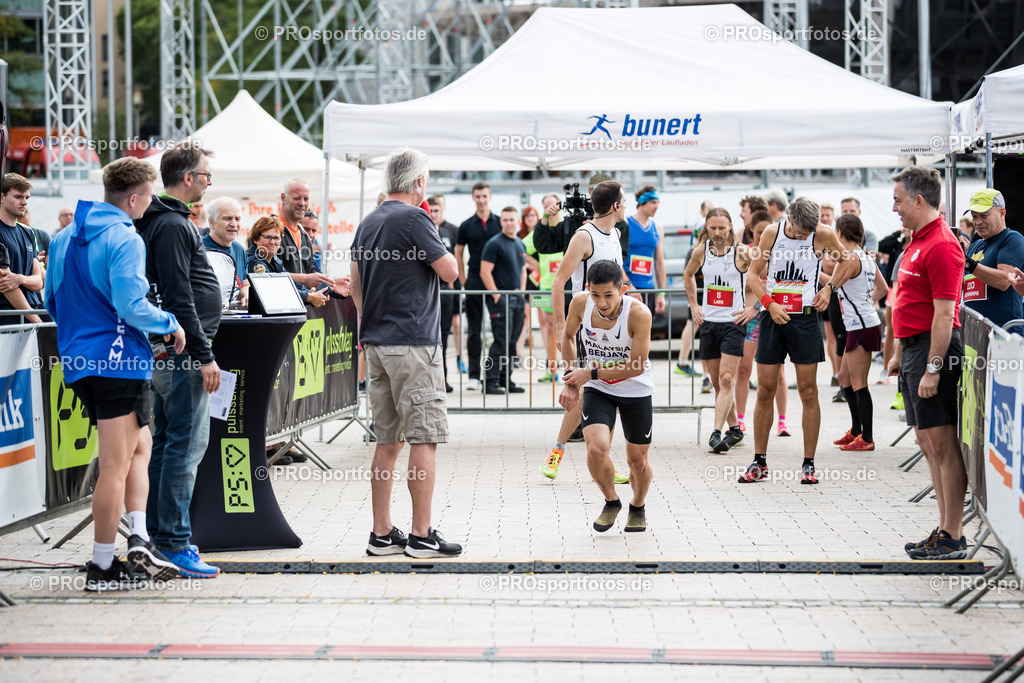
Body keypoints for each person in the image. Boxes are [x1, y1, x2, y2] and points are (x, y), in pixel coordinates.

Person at [45, 157, 186, 591]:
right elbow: (131, 306)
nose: (150, 204)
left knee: (140, 445)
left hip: (80, 359)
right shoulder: (125, 237)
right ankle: (103, 566)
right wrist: (170, 323)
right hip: (119, 360)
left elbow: (51, 300)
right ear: (134, 198)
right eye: (149, 197)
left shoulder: (64, 237)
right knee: (114, 465)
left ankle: (139, 537)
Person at [349, 147, 462, 558]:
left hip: (377, 341)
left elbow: (355, 283)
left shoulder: (368, 220)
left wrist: (371, 322)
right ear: (419, 181)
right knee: (424, 438)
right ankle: (421, 534)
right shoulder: (415, 218)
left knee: (387, 441)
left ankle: (381, 533)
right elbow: (450, 272)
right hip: (413, 343)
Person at [135, 141, 223, 578]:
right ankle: (173, 541)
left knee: (168, 444)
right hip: (182, 354)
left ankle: (159, 536)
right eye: (206, 175)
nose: (209, 182)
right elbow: (178, 295)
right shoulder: (171, 224)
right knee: (184, 447)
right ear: (188, 178)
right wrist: (204, 356)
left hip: (173, 351)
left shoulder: (165, 220)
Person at [741, 196, 853, 485]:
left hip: (804, 318)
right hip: (773, 316)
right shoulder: (771, 232)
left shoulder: (823, 233)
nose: (805, 237)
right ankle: (759, 461)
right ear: (789, 219)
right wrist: (768, 303)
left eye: (808, 234)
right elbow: (752, 275)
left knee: (808, 391)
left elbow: (847, 260)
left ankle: (808, 464)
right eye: (801, 233)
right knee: (764, 390)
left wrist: (829, 288)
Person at [887, 166, 968, 560]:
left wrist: (933, 368)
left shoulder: (942, 245)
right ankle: (944, 529)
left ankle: (953, 533)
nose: (894, 208)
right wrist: (899, 352)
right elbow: (908, 301)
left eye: (898, 201)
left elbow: (944, 314)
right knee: (926, 442)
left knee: (941, 443)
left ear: (918, 201)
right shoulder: (917, 240)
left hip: (933, 350)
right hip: (914, 350)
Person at [541, 181, 631, 484]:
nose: (626, 205)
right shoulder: (584, 235)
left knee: (611, 389)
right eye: (624, 201)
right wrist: (561, 326)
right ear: (615, 205)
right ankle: (557, 449)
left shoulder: (615, 234)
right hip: (587, 326)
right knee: (580, 392)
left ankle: (604, 461)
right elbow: (558, 282)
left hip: (614, 325)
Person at [559, 260, 654, 533]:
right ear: (588, 289)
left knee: (637, 462)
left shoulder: (639, 313)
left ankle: (638, 506)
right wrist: (571, 379)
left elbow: (636, 365)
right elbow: (567, 337)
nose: (601, 303)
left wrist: (588, 374)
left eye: (609, 295)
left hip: (635, 388)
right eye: (595, 295)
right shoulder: (580, 302)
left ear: (622, 290)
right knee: (596, 450)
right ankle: (611, 501)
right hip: (599, 388)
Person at [683, 208, 755, 453]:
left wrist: (754, 308)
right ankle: (735, 429)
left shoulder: (742, 252)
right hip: (708, 323)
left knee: (726, 379)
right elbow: (688, 274)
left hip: (734, 323)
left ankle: (716, 432)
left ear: (730, 226)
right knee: (717, 382)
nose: (717, 232)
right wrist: (694, 305)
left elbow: (765, 276)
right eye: (712, 228)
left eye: (722, 228)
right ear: (706, 226)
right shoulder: (700, 251)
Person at [829, 214, 888, 451]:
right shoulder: (865, 256)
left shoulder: (852, 258)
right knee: (845, 378)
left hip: (862, 324)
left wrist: (809, 275)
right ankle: (856, 430)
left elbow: (832, 285)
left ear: (839, 234)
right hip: (861, 322)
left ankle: (867, 438)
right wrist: (865, 301)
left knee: (859, 383)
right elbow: (883, 288)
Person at [734, 211, 789, 436]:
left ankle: (782, 421)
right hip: (751, 319)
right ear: (752, 231)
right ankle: (740, 419)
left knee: (779, 374)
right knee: (743, 370)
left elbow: (779, 286)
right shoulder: (746, 251)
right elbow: (744, 284)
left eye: (768, 231)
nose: (764, 235)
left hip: (771, 315)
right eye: (759, 232)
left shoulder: (780, 253)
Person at [455, 182, 501, 391]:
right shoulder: (466, 225)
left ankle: (495, 375)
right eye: (478, 196)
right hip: (473, 280)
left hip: (496, 281)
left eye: (484, 196)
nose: (481, 200)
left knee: (499, 329)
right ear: (473, 198)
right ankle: (474, 375)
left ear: (490, 196)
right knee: (474, 330)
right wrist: (463, 280)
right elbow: (458, 253)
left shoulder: (499, 222)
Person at [481, 207, 528, 394]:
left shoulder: (519, 243)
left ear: (518, 222)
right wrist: (496, 296)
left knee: (512, 342)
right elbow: (485, 272)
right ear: (501, 222)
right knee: (501, 341)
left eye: (512, 220)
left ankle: (505, 378)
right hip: (501, 300)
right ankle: (490, 381)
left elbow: (523, 270)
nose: (509, 223)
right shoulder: (494, 244)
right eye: (505, 220)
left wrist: (522, 293)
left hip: (517, 299)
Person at [961, 189, 1024, 328]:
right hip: (975, 334)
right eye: (974, 216)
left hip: (1004, 332)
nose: (978, 222)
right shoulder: (975, 245)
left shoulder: (1012, 239)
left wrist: (968, 263)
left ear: (1002, 213)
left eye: (984, 216)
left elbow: (1004, 280)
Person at [277, 178, 345, 298]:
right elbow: (267, 275)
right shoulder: (271, 230)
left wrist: (332, 284)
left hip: (300, 307)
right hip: (278, 307)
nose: (302, 203)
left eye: (306, 199)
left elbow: (312, 273)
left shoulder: (303, 235)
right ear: (283, 198)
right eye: (297, 198)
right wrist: (305, 280)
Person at [524, 194, 563, 383]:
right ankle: (551, 369)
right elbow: (519, 248)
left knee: (567, 327)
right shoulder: (540, 230)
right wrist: (535, 265)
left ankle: (572, 368)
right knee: (547, 327)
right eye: (547, 206)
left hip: (565, 287)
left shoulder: (567, 227)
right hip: (545, 287)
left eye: (554, 205)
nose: (551, 208)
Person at [0, 174, 45, 324]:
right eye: (18, 197)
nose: (24, 202)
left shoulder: (27, 232)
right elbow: (6, 285)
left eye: (27, 198)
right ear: (2, 197)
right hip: (7, 315)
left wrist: (20, 278)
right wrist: (37, 321)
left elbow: (38, 282)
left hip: (30, 311)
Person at [427, 196, 460, 392]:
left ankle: (443, 379)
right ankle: (431, 380)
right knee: (430, 339)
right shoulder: (422, 232)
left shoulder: (447, 232)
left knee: (444, 338)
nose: (433, 214)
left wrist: (453, 289)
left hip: (446, 292)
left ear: (442, 212)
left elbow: (453, 262)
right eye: (430, 210)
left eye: (436, 211)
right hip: (429, 293)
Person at [245, 216, 312, 304]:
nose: (272, 242)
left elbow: (289, 283)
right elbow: (273, 291)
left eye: (276, 238)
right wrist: (308, 297)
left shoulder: (274, 260)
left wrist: (309, 293)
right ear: (255, 239)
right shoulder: (254, 261)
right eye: (267, 237)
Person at [202, 196, 249, 309]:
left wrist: (247, 295)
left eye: (237, 219)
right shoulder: (197, 248)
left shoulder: (238, 249)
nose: (234, 224)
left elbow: (244, 284)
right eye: (228, 218)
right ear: (211, 222)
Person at [626, 186, 666, 315]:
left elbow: (659, 262)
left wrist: (661, 293)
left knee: (647, 327)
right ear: (642, 202)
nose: (656, 207)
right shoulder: (625, 224)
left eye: (658, 203)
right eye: (653, 202)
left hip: (649, 289)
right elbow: (616, 259)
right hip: (628, 289)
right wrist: (628, 285)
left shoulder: (657, 227)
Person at [516, 205, 541, 359]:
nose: (530, 219)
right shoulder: (519, 236)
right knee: (523, 318)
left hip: (541, 281)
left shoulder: (543, 235)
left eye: (533, 216)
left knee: (544, 319)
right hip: (525, 280)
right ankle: (518, 354)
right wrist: (529, 264)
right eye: (527, 216)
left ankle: (550, 356)